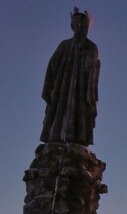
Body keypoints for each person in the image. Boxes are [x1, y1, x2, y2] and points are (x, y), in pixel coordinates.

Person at [41, 8, 100, 146]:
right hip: (62, 90)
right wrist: (50, 88)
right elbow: (52, 67)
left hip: (81, 92)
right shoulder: (64, 45)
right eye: (76, 24)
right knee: (59, 112)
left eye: (82, 24)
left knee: (79, 115)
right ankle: (55, 137)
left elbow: (93, 73)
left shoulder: (91, 48)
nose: (79, 27)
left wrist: (91, 97)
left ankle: (78, 140)